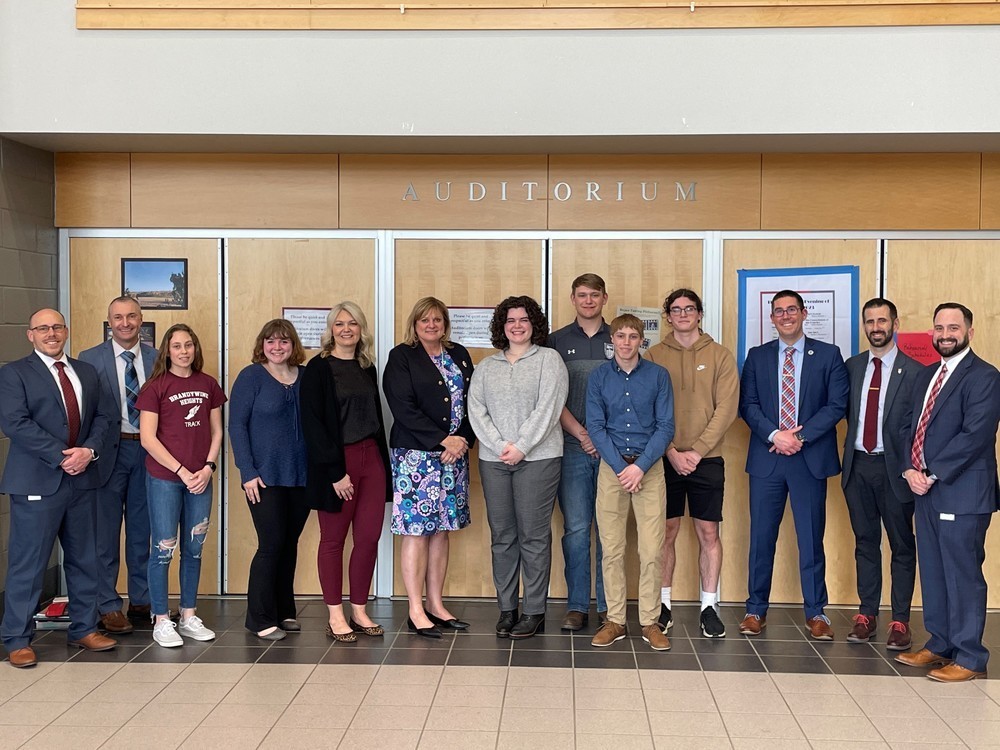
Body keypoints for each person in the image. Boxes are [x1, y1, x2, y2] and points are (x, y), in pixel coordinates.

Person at [0, 309, 119, 667]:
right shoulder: (14, 373)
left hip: (83, 479)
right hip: (38, 481)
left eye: (56, 326)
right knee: (29, 563)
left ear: (66, 330)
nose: (51, 333)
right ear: (30, 334)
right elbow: (15, 422)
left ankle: (83, 628)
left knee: (85, 559)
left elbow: (104, 417)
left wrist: (89, 451)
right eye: (43, 328)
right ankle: (17, 638)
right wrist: (61, 455)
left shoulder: (85, 371)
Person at [896, 303, 1000, 682]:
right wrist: (909, 469)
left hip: (962, 491)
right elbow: (908, 426)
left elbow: (975, 435)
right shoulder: (926, 375)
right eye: (939, 327)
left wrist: (931, 471)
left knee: (963, 573)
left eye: (953, 327)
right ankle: (940, 643)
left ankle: (970, 656)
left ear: (969, 332)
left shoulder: (985, 376)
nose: (945, 334)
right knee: (936, 571)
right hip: (923, 489)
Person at [738, 290, 849, 640]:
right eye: (778, 311)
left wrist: (799, 438)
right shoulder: (757, 356)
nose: (785, 316)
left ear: (803, 314)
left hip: (808, 460)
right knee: (761, 539)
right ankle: (755, 609)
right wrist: (775, 435)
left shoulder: (829, 355)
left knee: (811, 538)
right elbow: (748, 405)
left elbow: (836, 405)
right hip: (768, 459)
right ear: (771, 318)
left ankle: (817, 613)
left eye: (791, 310)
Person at [469, 295, 568, 640]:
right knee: (503, 537)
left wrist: (522, 447)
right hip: (494, 462)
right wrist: (500, 447)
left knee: (534, 536)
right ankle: (507, 608)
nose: (517, 325)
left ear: (534, 323)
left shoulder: (549, 360)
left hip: (538, 460)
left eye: (523, 319)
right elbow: (476, 412)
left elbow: (549, 408)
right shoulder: (486, 367)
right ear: (502, 326)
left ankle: (534, 611)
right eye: (510, 320)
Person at [644, 289, 738, 639]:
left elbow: (726, 410)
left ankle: (709, 607)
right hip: (662, 458)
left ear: (700, 314)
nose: (683, 314)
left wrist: (696, 452)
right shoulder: (653, 355)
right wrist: (670, 451)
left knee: (708, 533)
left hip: (707, 459)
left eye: (690, 309)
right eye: (676, 309)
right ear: (667, 316)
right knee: (665, 532)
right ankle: (663, 605)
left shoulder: (720, 356)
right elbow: (647, 410)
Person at [383, 298, 476, 638]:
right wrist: (443, 440)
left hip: (454, 457)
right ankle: (415, 609)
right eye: (425, 319)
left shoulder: (460, 354)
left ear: (445, 323)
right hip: (416, 458)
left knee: (442, 529)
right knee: (416, 531)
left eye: (438, 319)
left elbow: (473, 403)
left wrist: (462, 439)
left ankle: (436, 605)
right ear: (415, 323)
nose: (432, 324)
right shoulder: (402, 357)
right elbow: (402, 408)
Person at [300, 302, 392, 643]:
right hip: (337, 465)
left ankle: (359, 609)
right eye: (339, 324)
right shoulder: (318, 368)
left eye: (352, 323)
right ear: (331, 329)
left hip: (372, 461)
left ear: (361, 328)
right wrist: (336, 473)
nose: (346, 329)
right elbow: (313, 425)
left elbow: (376, 421)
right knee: (333, 540)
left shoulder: (367, 367)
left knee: (368, 539)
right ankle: (335, 614)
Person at [587, 314, 674, 651]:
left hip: (649, 468)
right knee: (612, 549)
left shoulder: (658, 376)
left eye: (632, 336)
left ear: (642, 340)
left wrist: (639, 467)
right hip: (612, 468)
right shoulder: (598, 378)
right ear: (612, 341)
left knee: (652, 550)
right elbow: (596, 427)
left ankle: (650, 622)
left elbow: (666, 427)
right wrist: (621, 468)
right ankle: (616, 620)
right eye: (620, 336)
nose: (626, 342)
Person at [136, 324, 226, 647]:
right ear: (167, 350)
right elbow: (148, 438)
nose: (184, 351)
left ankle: (188, 615)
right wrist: (181, 470)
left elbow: (217, 431)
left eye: (189, 345)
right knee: (163, 548)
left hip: (201, 479)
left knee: (194, 547)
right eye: (177, 346)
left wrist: (207, 468)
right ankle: (161, 619)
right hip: (165, 479)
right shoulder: (155, 387)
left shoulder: (208, 385)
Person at [841, 298, 920, 649]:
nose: (876, 327)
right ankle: (866, 615)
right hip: (858, 466)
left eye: (882, 320)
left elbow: (919, 427)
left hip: (895, 470)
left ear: (895, 324)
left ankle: (900, 621)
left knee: (902, 544)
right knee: (865, 542)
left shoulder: (916, 372)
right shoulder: (852, 366)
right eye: (870, 321)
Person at [78, 295, 157, 634]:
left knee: (143, 531)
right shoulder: (89, 359)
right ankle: (108, 605)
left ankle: (141, 599)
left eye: (131, 317)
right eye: (118, 317)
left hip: (149, 452)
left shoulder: (157, 358)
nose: (125, 323)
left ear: (141, 320)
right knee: (105, 535)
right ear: (109, 321)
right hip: (107, 454)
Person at [229, 319, 310, 641]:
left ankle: (284, 611)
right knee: (271, 545)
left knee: (289, 545)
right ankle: (259, 618)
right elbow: (237, 427)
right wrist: (247, 472)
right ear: (262, 345)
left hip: (301, 476)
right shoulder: (251, 377)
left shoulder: (304, 377)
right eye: (271, 341)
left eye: (284, 341)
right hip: (263, 478)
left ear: (293, 345)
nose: (277, 347)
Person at [547, 273, 611, 632]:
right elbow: (551, 399)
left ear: (604, 298)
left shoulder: (620, 337)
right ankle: (576, 606)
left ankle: (607, 605)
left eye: (594, 295)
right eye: (582, 295)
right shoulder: (555, 341)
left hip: (613, 451)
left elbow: (628, 394)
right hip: (571, 447)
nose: (588, 301)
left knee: (608, 530)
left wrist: (602, 440)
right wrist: (583, 434)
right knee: (575, 529)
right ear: (573, 298)